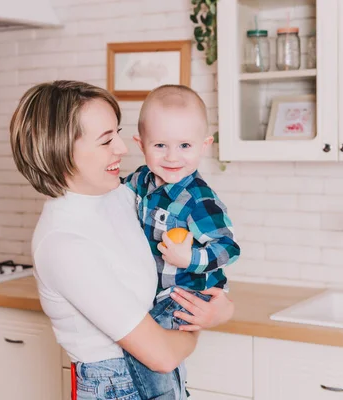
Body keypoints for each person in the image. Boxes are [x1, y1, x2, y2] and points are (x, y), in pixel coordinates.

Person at [9, 80, 235, 400]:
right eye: (105, 141)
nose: (123, 148)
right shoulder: (63, 243)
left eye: (117, 133)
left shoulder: (121, 195)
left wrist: (218, 303)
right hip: (117, 389)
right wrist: (203, 323)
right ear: (59, 149)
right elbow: (162, 355)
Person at [121, 85, 241, 399]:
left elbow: (228, 247)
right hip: (161, 291)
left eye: (185, 145)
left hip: (186, 292)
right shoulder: (142, 179)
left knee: (156, 363)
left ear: (204, 145)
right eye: (160, 145)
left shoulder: (197, 199)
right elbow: (115, 193)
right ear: (141, 144)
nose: (172, 157)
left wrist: (189, 259)